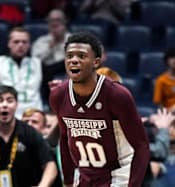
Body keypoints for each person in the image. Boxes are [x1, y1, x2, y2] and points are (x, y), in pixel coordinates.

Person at [49, 31, 150, 186]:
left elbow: (141, 145)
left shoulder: (117, 95)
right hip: (84, 176)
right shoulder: (58, 96)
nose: (74, 60)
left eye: (81, 56)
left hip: (118, 175)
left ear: (96, 62)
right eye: (69, 56)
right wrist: (68, 182)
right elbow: (64, 138)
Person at [0, 27, 52, 118]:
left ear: (29, 45)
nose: (20, 45)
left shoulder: (39, 64)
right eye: (16, 42)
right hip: (5, 115)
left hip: (34, 115)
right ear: (9, 44)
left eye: (24, 42)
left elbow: (49, 93)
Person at [31, 9, 71, 77]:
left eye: (58, 20)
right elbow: (35, 63)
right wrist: (50, 46)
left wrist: (61, 39)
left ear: (65, 21)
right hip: (45, 76)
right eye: (52, 20)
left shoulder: (74, 41)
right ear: (48, 22)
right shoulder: (40, 41)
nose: (55, 23)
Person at [153, 48, 175, 115]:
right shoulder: (161, 80)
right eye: (172, 57)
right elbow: (159, 104)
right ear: (167, 60)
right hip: (171, 113)